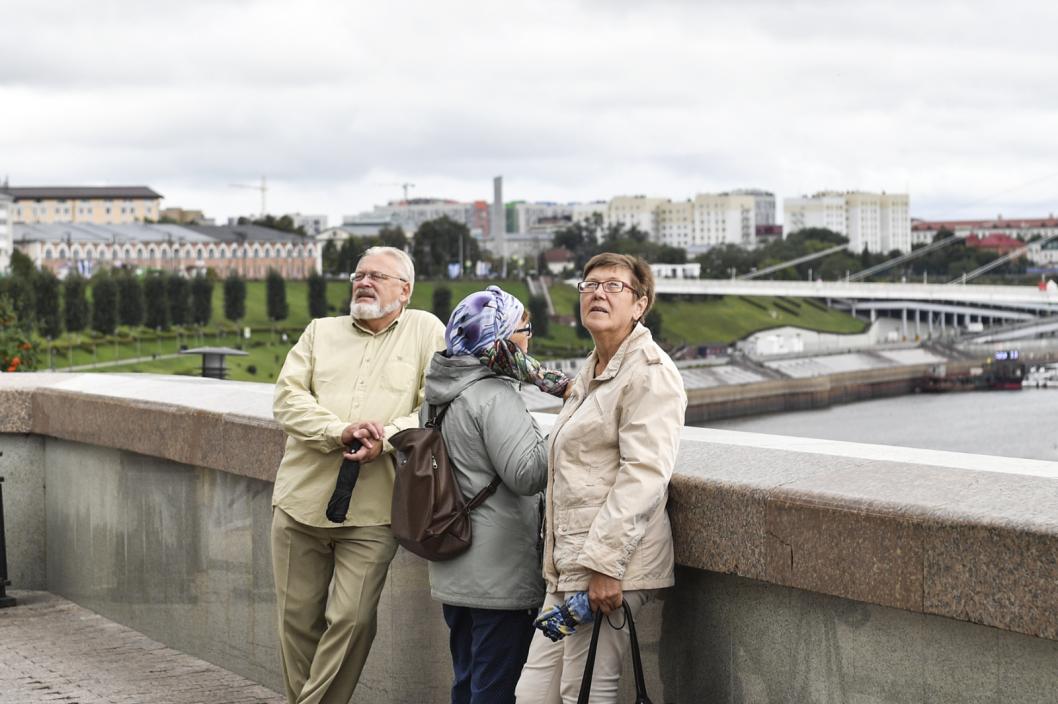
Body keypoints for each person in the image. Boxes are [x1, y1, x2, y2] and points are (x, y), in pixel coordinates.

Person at [271, 246, 445, 704]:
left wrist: (386, 436)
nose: (364, 283)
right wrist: (338, 431)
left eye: (378, 277)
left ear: (404, 291)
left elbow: (434, 408)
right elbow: (287, 400)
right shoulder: (319, 332)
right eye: (359, 275)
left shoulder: (427, 331)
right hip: (300, 501)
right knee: (296, 623)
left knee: (351, 620)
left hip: (374, 510)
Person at [515, 253, 687, 704]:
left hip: (611, 567)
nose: (598, 293)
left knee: (586, 689)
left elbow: (645, 475)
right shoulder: (590, 371)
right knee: (533, 694)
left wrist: (606, 567)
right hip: (570, 568)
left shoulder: (649, 373)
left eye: (614, 286)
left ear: (640, 304)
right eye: (590, 285)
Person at [424, 285, 569, 704]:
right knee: (496, 689)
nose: (530, 338)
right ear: (502, 338)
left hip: (457, 562)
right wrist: (564, 429)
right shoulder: (492, 394)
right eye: (525, 329)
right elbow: (527, 474)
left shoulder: (440, 391)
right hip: (498, 573)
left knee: (468, 681)